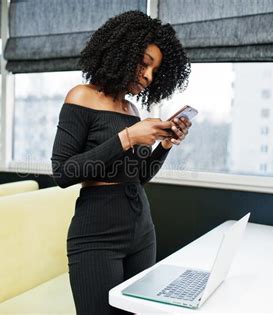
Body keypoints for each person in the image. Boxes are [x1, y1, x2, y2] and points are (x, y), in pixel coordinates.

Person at [51, 10, 191, 315]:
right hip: (96, 236)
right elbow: (62, 172)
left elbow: (137, 177)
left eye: (155, 71)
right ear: (121, 53)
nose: (148, 76)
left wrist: (165, 144)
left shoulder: (131, 110)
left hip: (141, 231)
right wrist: (127, 138)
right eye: (144, 64)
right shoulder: (81, 97)